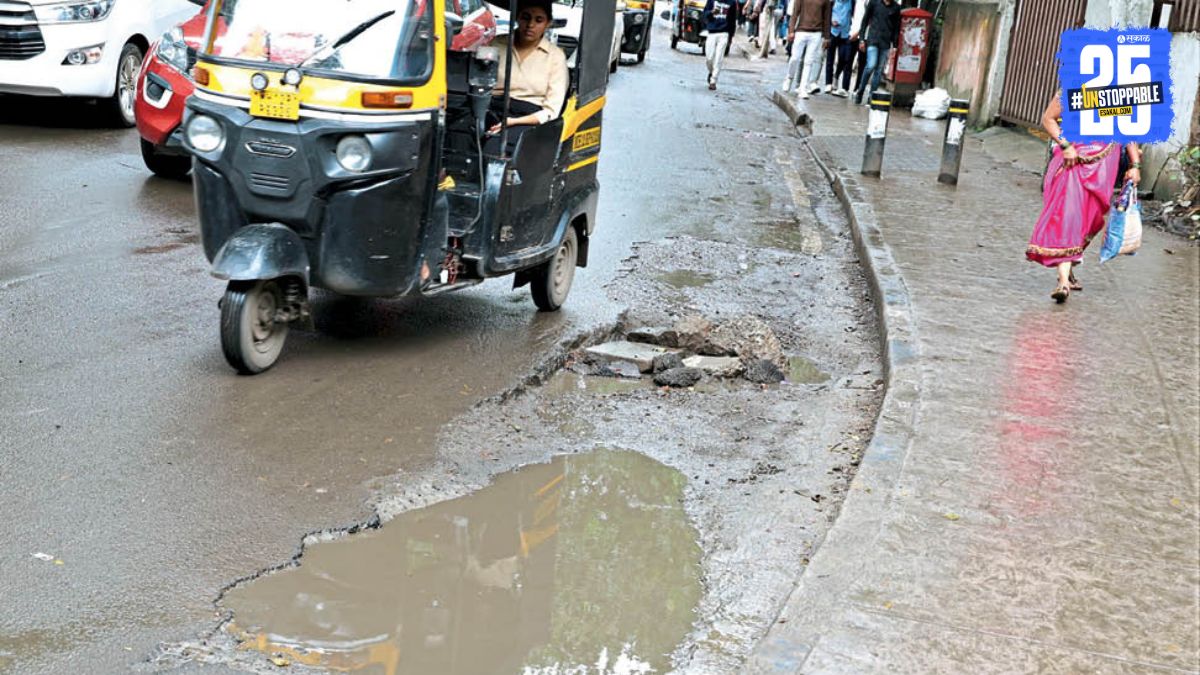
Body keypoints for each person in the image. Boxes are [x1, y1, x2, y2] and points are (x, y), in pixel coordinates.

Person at [1027, 92, 1141, 303]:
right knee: (1068, 217)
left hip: (1104, 166)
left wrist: (1135, 165)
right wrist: (1065, 145)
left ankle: (1067, 267)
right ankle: (1062, 282)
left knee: (1092, 221)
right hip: (1072, 163)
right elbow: (1048, 119)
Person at [487, 0, 569, 151]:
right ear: (517, 18)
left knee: (494, 148)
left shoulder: (555, 57)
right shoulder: (496, 44)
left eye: (539, 20)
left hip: (527, 119)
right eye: (526, 17)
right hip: (491, 109)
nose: (530, 25)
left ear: (548, 24)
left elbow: (551, 111)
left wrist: (513, 121)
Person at [849, 0, 898, 106]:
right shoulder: (874, 3)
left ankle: (871, 97)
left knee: (879, 71)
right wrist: (862, 39)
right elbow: (865, 21)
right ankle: (860, 91)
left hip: (885, 43)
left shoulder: (896, 8)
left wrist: (894, 46)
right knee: (871, 65)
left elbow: (896, 28)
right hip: (873, 40)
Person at [783, 0, 830, 98]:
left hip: (816, 33)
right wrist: (791, 30)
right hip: (801, 31)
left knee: (808, 61)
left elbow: (827, 18)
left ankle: (802, 88)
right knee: (795, 58)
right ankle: (789, 77)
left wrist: (826, 37)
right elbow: (795, 13)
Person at [702, 0, 739, 90]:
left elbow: (732, 21)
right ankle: (711, 72)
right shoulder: (711, 1)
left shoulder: (732, 2)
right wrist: (711, 12)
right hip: (712, 32)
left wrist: (731, 37)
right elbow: (704, 14)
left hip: (724, 33)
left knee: (719, 57)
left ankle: (713, 81)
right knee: (709, 58)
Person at [823, 0, 853, 96]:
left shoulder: (852, 2)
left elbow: (854, 15)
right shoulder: (833, 2)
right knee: (830, 59)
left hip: (845, 33)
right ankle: (828, 83)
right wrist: (831, 21)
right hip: (833, 32)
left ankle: (837, 76)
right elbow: (827, 14)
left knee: (844, 58)